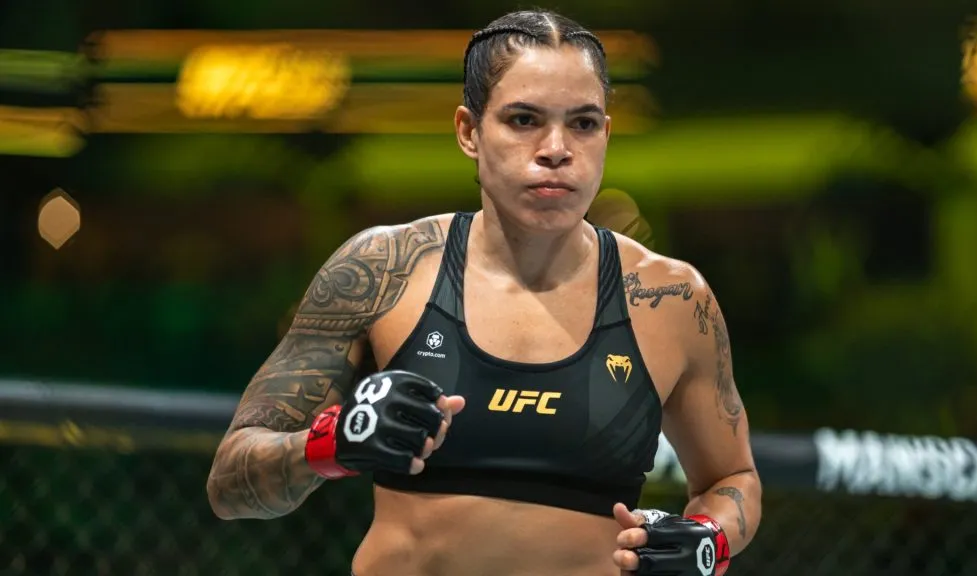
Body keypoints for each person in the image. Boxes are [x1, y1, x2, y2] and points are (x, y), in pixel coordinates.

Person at [206, 9, 762, 576]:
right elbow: (230, 485)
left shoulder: (671, 299)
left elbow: (732, 480)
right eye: (524, 120)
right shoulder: (384, 271)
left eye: (583, 124)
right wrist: (330, 445)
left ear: (606, 134)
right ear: (469, 132)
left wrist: (708, 538)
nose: (556, 148)